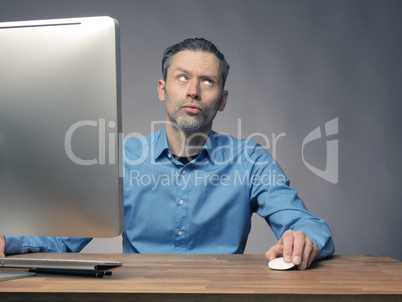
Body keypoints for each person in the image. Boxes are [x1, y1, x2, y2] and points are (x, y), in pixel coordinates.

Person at [0, 38, 334, 270]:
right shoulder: (122, 159)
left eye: (207, 82)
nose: (193, 90)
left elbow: (305, 223)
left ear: (223, 98)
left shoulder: (251, 160)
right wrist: (7, 240)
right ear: (163, 89)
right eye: (183, 77)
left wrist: (304, 241)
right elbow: (61, 238)